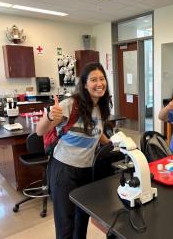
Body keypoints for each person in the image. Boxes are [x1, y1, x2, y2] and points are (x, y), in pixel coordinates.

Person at [36, 62, 111, 239]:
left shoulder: (101, 106)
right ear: (85, 84)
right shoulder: (70, 104)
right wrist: (48, 117)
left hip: (86, 169)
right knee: (66, 223)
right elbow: (40, 131)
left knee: (82, 218)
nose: (99, 83)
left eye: (102, 79)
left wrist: (114, 144)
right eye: (93, 79)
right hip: (64, 170)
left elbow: (96, 132)